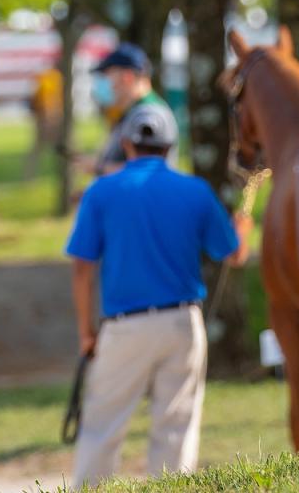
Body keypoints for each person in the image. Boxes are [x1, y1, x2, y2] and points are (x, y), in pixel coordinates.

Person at [63, 105, 252, 484]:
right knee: (176, 429)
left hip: (123, 328)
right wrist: (243, 223)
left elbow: (82, 268)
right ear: (169, 146)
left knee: (102, 427)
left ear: (127, 143)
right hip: (183, 323)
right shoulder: (195, 190)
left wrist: (86, 331)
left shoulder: (101, 192)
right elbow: (233, 254)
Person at [89, 42, 168, 175]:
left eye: (107, 75)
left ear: (128, 77)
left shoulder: (148, 116)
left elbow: (146, 172)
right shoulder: (133, 113)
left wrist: (98, 167)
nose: (103, 83)